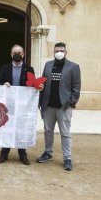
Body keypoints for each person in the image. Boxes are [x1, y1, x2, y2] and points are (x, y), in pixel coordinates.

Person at [37, 42, 81, 171]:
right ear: (53, 52)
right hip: (48, 105)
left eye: (61, 50)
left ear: (66, 52)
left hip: (63, 106)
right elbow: (43, 84)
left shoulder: (73, 67)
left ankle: (67, 158)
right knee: (48, 131)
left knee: (65, 133)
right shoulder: (48, 65)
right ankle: (48, 153)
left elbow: (76, 87)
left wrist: (71, 103)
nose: (59, 53)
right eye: (57, 50)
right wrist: (40, 101)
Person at [0, 44, 34, 165]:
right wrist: (4, 84)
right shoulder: (5, 68)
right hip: (9, 103)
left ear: (23, 54)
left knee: (21, 128)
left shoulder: (29, 69)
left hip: (23, 104)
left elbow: (32, 85)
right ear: (11, 54)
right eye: (14, 52)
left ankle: (23, 155)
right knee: (7, 128)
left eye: (19, 52)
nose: (17, 54)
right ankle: (4, 154)